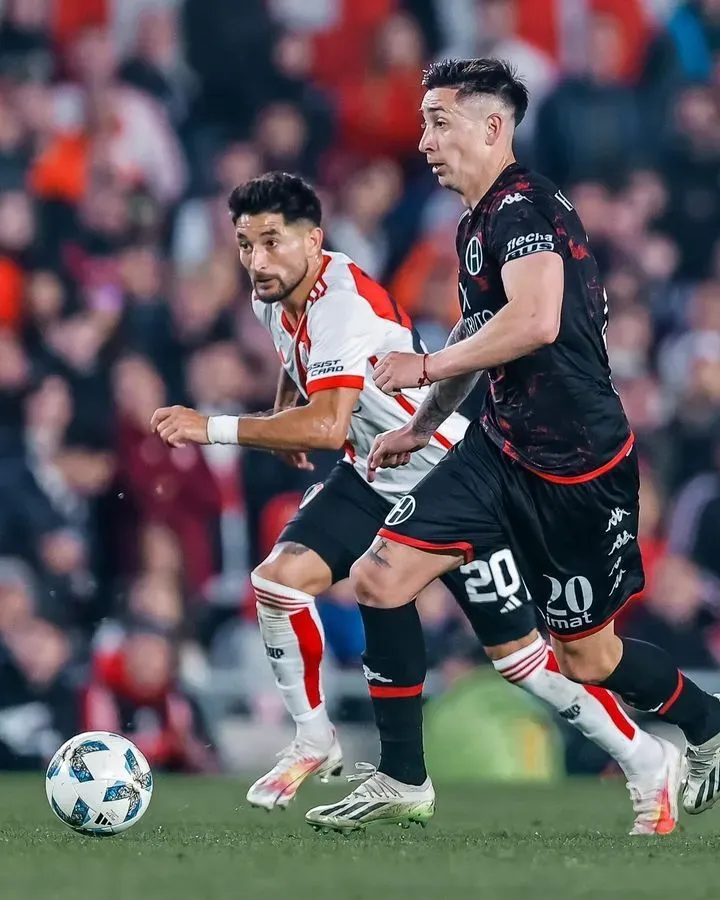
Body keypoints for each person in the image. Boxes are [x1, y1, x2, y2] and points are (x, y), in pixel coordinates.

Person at [153, 172, 674, 830]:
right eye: (244, 245)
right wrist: (285, 412)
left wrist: (212, 426)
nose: (256, 260)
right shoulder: (275, 293)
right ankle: (317, 741)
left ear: (313, 241)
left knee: (525, 664)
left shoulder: (340, 302)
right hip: (374, 471)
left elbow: (328, 425)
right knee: (280, 583)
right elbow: (298, 363)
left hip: (446, 475)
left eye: (271, 243)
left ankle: (644, 757)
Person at [298, 59, 720, 834]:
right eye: (423, 120)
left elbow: (535, 321)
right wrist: (426, 423)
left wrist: (422, 367)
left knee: (589, 660)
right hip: (498, 452)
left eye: (439, 121)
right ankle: (402, 780)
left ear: (493, 128)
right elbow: (479, 336)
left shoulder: (524, 209)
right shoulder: (475, 222)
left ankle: (705, 722)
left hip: (577, 471)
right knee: (382, 577)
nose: (423, 140)